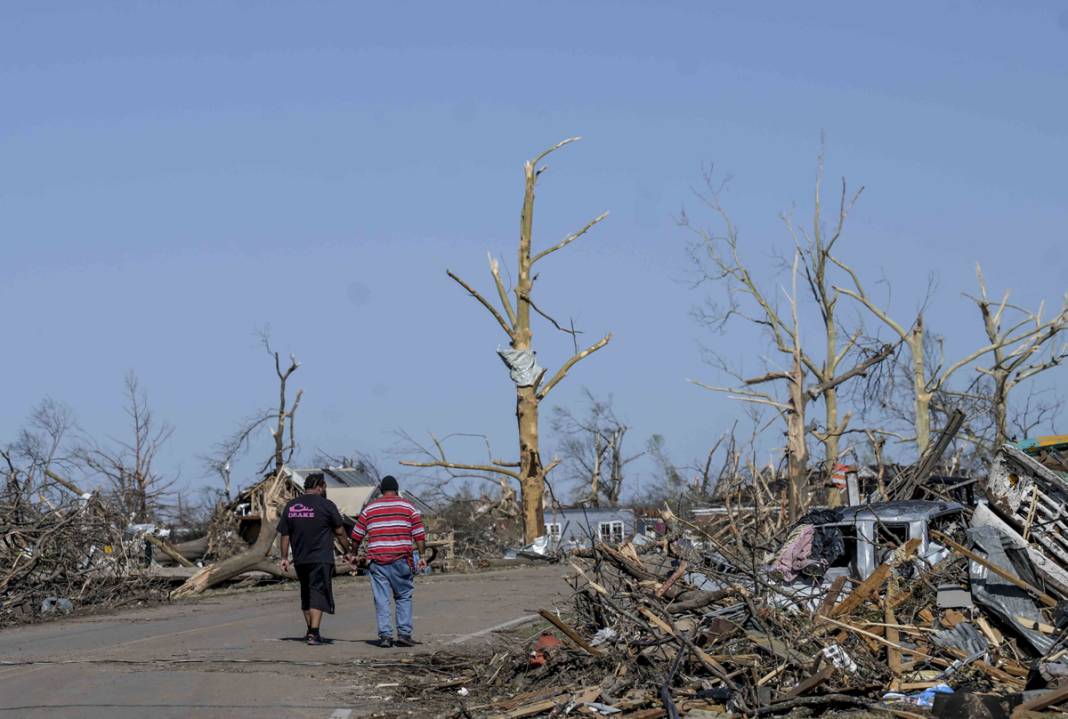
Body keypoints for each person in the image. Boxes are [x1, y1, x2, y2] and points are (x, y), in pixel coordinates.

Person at [349, 475, 426, 648]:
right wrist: (421, 556)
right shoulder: (408, 506)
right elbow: (419, 534)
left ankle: (385, 636)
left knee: (381, 598)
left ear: (381, 491)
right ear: (397, 490)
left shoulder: (370, 508)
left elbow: (356, 535)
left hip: (377, 561)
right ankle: (404, 634)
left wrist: (353, 554)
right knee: (404, 596)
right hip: (402, 560)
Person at [277, 472, 352, 645]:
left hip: (300, 559)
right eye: (325, 487)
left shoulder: (292, 506)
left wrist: (284, 557)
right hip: (321, 558)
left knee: (306, 593)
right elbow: (340, 531)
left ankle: (310, 631)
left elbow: (285, 534)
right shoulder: (326, 505)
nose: (325, 490)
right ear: (319, 487)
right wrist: (347, 551)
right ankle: (314, 633)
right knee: (317, 592)